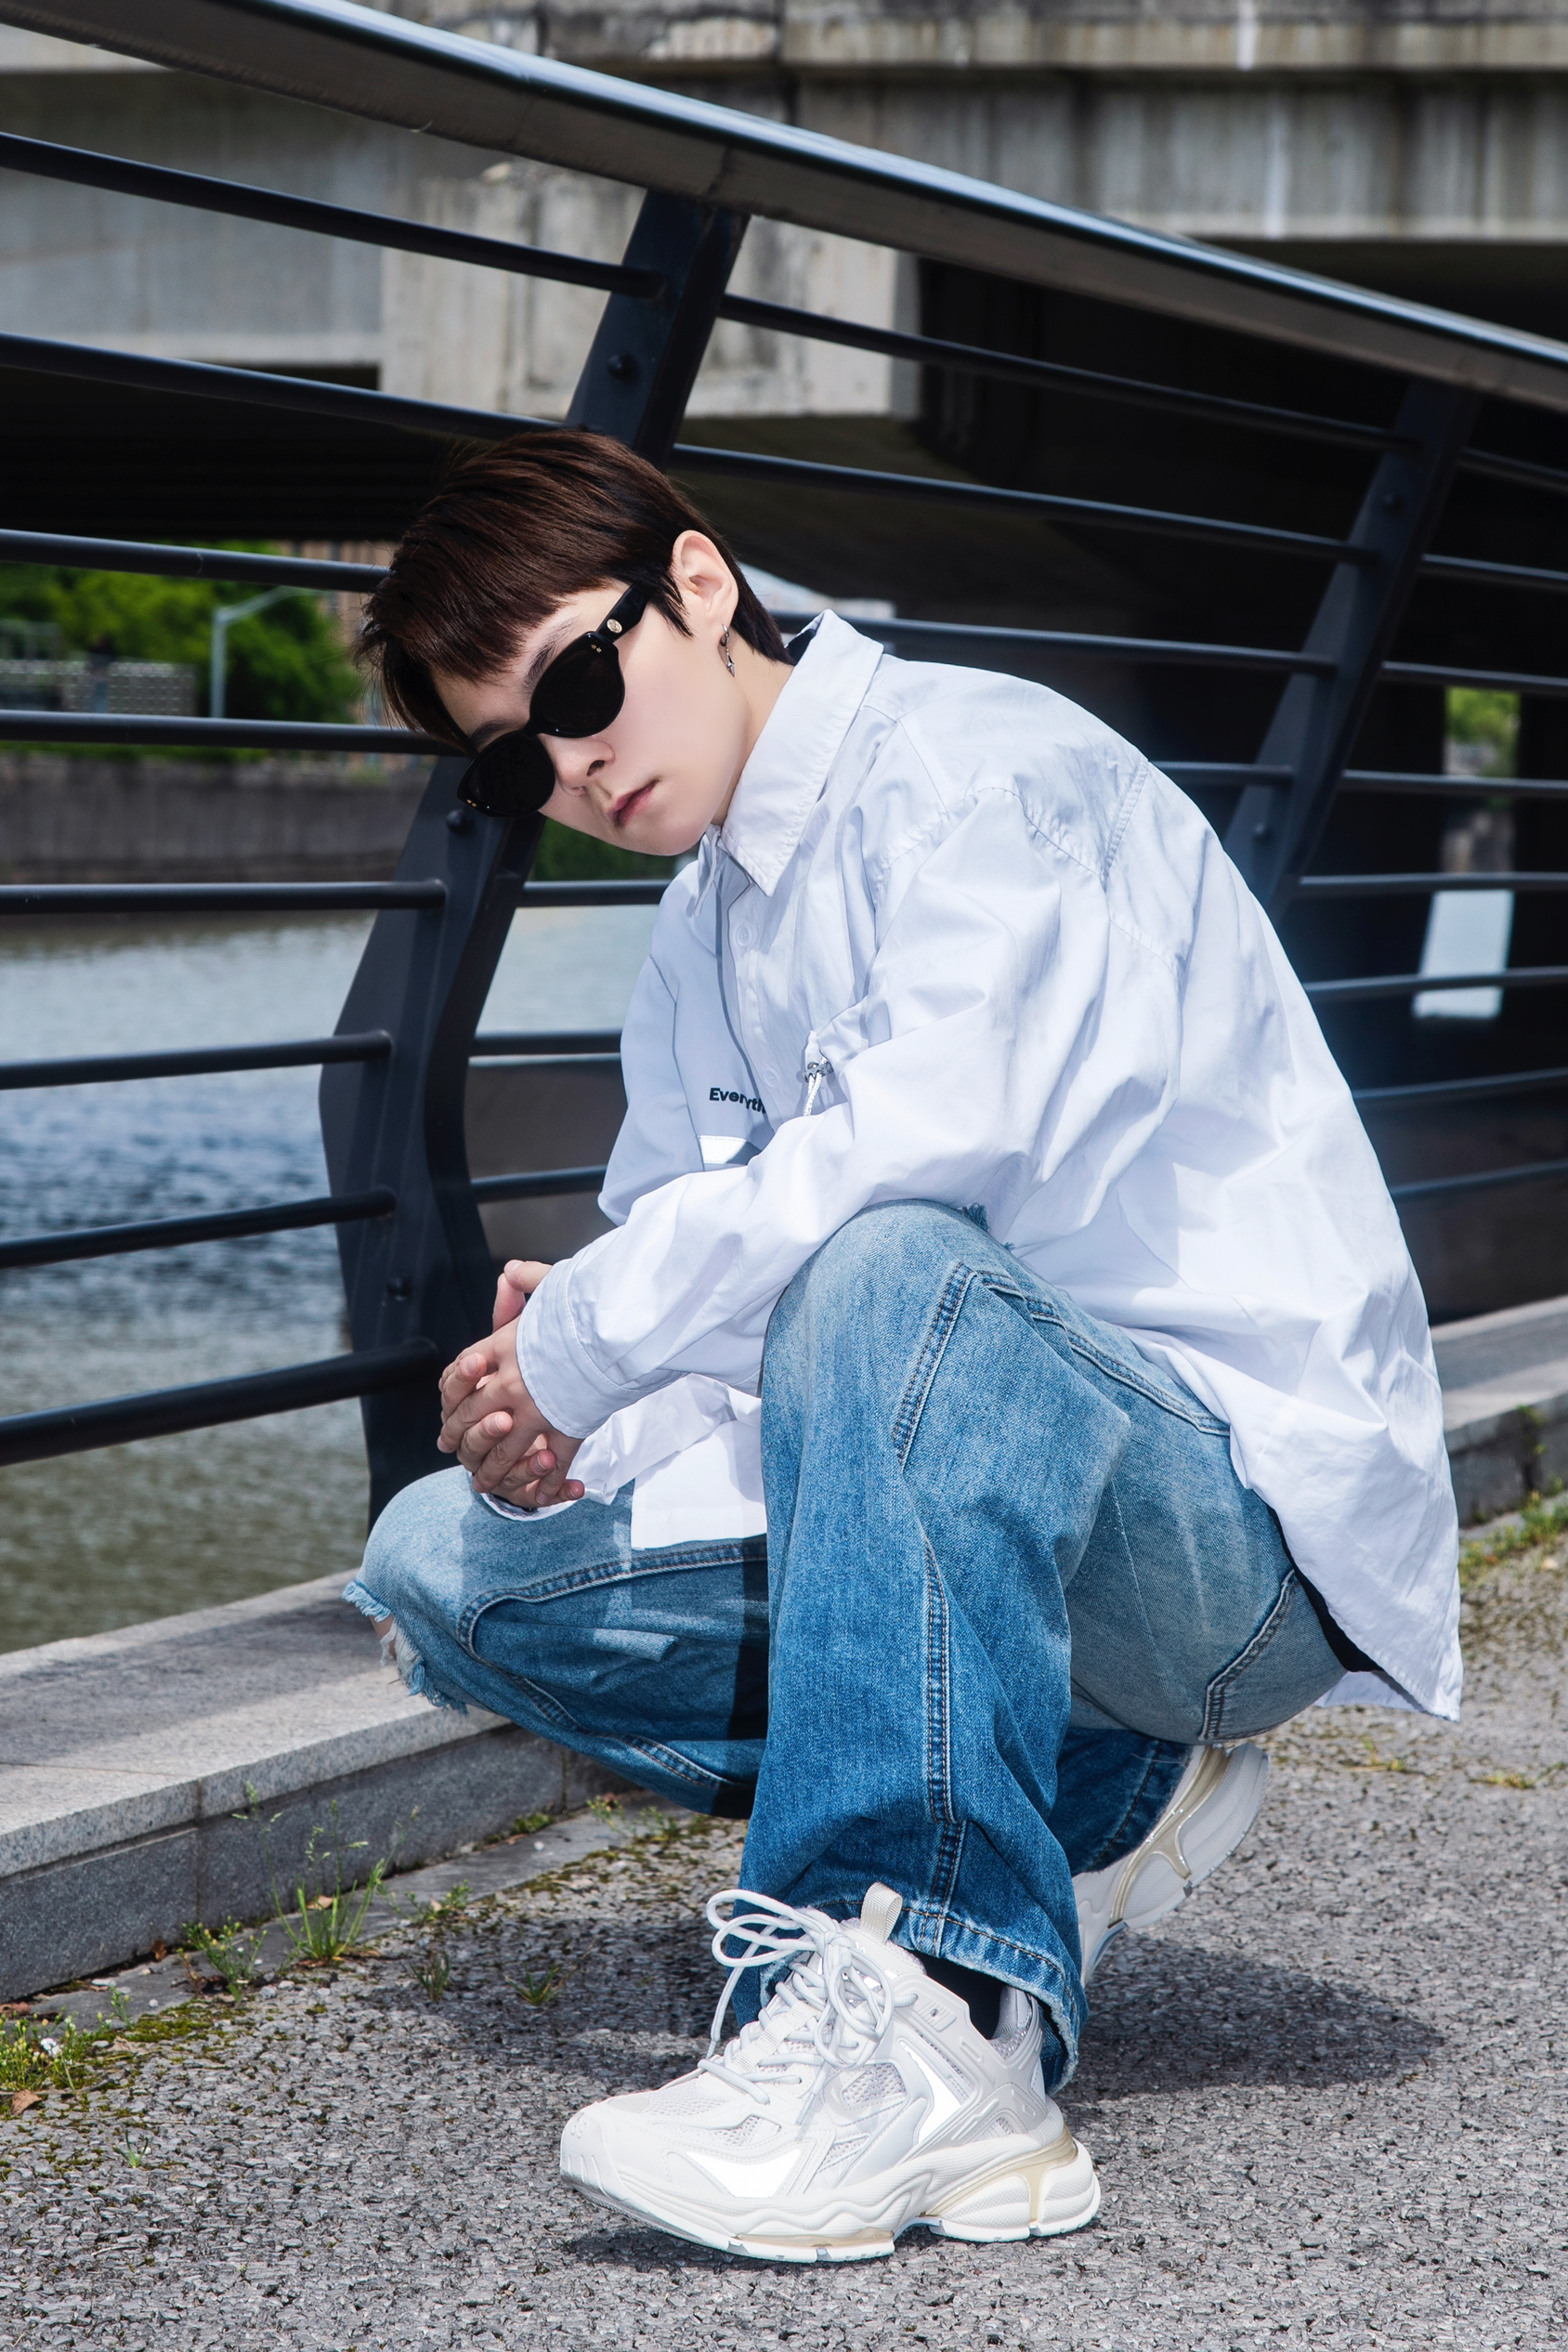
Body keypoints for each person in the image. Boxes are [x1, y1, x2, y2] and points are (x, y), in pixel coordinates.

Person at [346, 431, 1459, 2264]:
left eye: (578, 687)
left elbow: (917, 1181)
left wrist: (610, 1325)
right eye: (511, 762)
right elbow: (731, 1320)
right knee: (445, 1567)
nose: (573, 766)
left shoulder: (987, 777)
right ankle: (1084, 1790)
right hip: (986, 1505)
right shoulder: (702, 927)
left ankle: (932, 2027)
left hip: (1230, 1535)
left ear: (697, 584)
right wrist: (582, 1423)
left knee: (884, 1266)